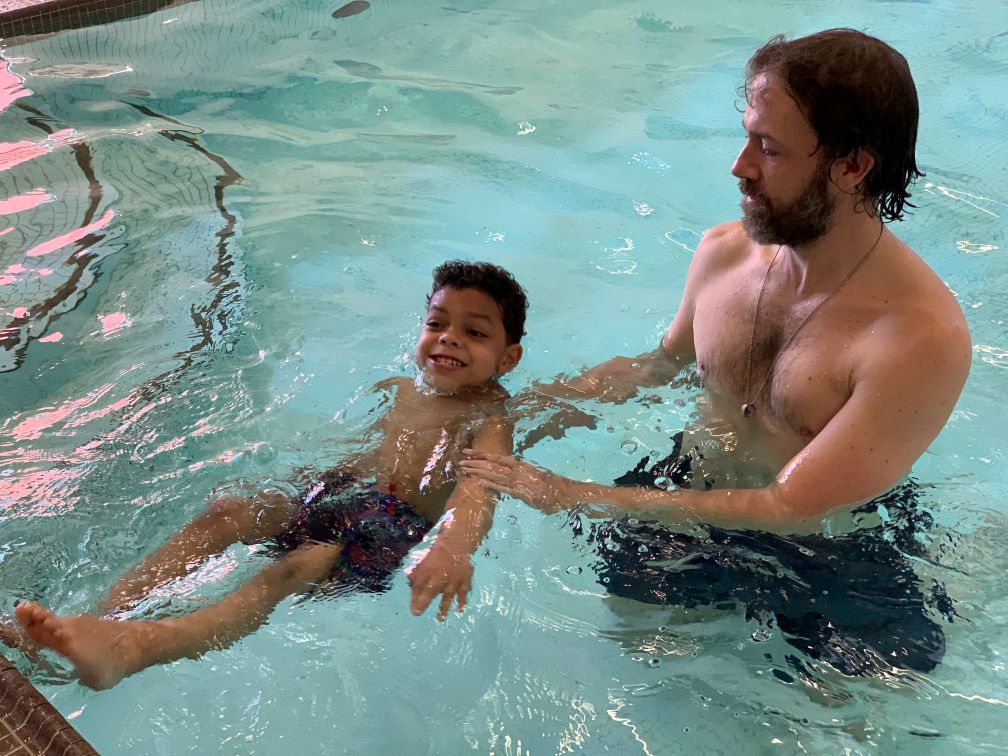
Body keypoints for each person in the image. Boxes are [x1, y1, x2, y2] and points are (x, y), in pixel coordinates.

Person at [461, 29, 972, 678]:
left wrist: (573, 494)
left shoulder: (919, 337)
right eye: (747, 135)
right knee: (641, 658)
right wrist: (511, 415)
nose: (740, 166)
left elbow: (793, 506)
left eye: (769, 147)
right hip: (685, 490)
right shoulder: (724, 254)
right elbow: (655, 368)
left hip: (826, 547)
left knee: (849, 717)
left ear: (851, 166)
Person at [6, 260, 527, 690]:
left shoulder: (489, 421)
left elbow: (480, 488)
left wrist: (454, 548)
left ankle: (135, 647)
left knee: (296, 566)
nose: (449, 339)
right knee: (228, 512)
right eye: (437, 324)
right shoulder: (403, 388)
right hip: (344, 495)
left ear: (508, 358)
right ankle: (101, 618)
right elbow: (365, 455)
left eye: (474, 332)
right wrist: (301, 486)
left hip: (388, 529)